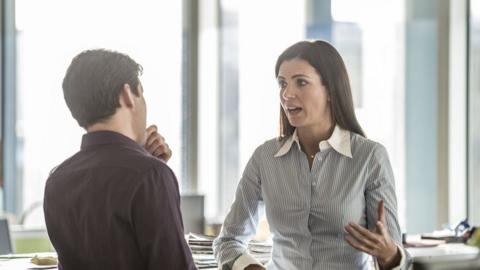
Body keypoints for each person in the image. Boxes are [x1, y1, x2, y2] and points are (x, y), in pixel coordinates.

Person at [213, 40, 411, 270]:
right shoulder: (264, 158)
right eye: (282, 84)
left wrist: (389, 255)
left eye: (301, 83)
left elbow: (394, 255)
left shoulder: (370, 157)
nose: (287, 94)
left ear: (330, 90)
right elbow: (228, 242)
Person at [43, 49, 196, 270]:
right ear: (127, 95)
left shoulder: (56, 180)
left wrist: (146, 162)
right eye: (141, 93)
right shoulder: (150, 176)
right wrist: (154, 172)